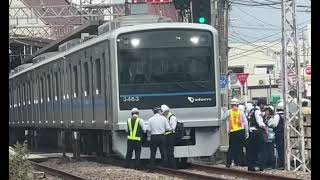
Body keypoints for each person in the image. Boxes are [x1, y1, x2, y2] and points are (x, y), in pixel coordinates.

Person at [223, 98, 249, 168]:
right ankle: (241, 162)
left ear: (231, 105)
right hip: (240, 131)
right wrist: (247, 131)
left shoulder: (229, 112)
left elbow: (223, 118)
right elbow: (245, 122)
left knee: (231, 148)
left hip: (232, 132)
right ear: (237, 104)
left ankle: (228, 163)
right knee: (240, 147)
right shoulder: (241, 112)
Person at [247, 103, 267, 171]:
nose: (264, 106)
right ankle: (261, 166)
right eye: (263, 105)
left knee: (252, 150)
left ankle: (251, 166)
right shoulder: (257, 111)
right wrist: (265, 128)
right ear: (261, 104)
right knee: (262, 150)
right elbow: (260, 122)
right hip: (257, 132)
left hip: (251, 132)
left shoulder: (251, 111)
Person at [268, 103, 284, 169]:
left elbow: (274, 124)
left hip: (278, 133)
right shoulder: (285, 115)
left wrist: (269, 124)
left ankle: (282, 164)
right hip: (284, 133)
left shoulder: (277, 115)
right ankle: (284, 163)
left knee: (280, 149)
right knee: (284, 149)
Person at [161, 104, 177, 169]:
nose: (163, 114)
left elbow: (173, 128)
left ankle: (173, 166)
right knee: (166, 151)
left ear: (166, 111)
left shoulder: (172, 117)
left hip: (171, 136)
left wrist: (164, 128)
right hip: (166, 136)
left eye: (163, 113)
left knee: (170, 151)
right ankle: (168, 165)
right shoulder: (165, 117)